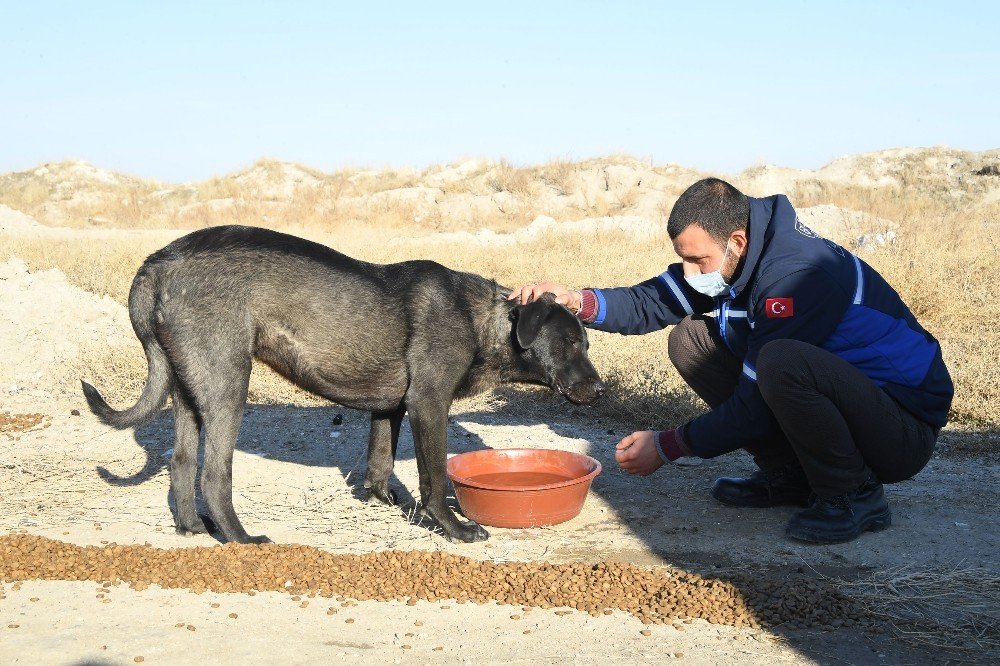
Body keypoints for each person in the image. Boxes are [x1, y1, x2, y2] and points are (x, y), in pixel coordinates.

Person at [509, 178, 953, 544]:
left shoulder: (797, 278)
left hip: (900, 429)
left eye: (696, 259)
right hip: (855, 406)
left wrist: (668, 446)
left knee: (780, 363)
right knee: (691, 340)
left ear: (736, 241)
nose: (688, 272)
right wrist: (575, 301)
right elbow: (649, 302)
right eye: (683, 258)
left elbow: (755, 402)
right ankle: (793, 477)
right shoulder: (734, 257)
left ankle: (854, 494)